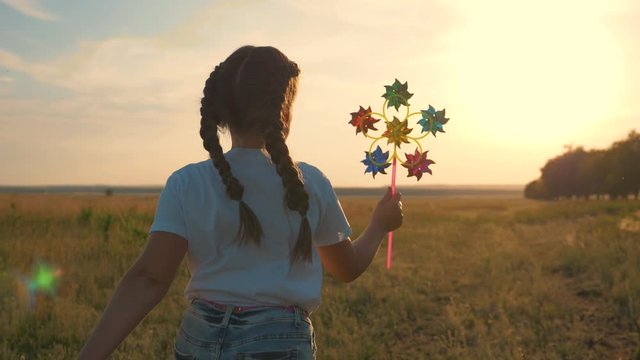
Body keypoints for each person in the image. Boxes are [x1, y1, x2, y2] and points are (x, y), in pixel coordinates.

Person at [78, 45, 403, 359]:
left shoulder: (187, 182)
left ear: (221, 114)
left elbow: (149, 278)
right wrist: (378, 225)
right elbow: (346, 268)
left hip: (201, 337)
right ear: (284, 114)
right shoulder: (311, 182)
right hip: (280, 339)